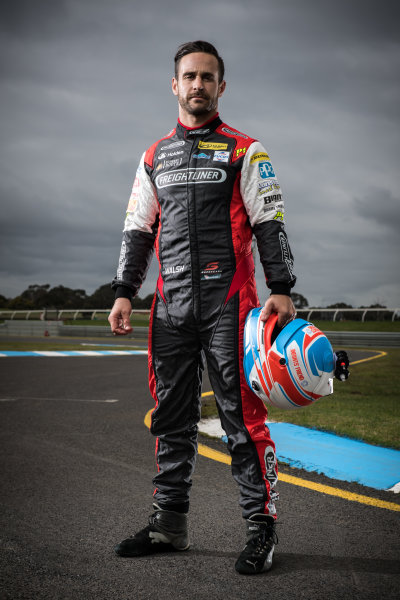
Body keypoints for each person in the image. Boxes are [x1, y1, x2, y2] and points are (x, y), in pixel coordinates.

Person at [108, 40, 296, 575]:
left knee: (242, 421)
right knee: (171, 418)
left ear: (221, 86)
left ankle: (262, 528)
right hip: (169, 310)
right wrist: (124, 291)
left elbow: (270, 222)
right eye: (188, 76)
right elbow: (137, 230)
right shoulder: (153, 157)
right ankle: (169, 525)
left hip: (229, 307)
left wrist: (280, 286)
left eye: (207, 77)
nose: (197, 85)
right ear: (174, 85)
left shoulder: (246, 150)